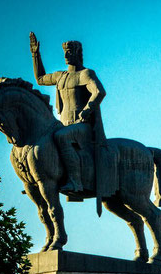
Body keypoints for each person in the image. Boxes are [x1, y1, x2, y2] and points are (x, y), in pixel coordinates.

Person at [29, 32, 107, 194]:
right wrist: (35, 54)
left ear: (78, 53)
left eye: (70, 51)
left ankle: (75, 181)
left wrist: (87, 110)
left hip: (82, 126)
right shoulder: (60, 76)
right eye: (64, 51)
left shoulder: (85, 74)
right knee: (42, 141)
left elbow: (99, 92)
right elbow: (41, 79)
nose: (66, 54)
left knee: (61, 137)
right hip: (63, 124)